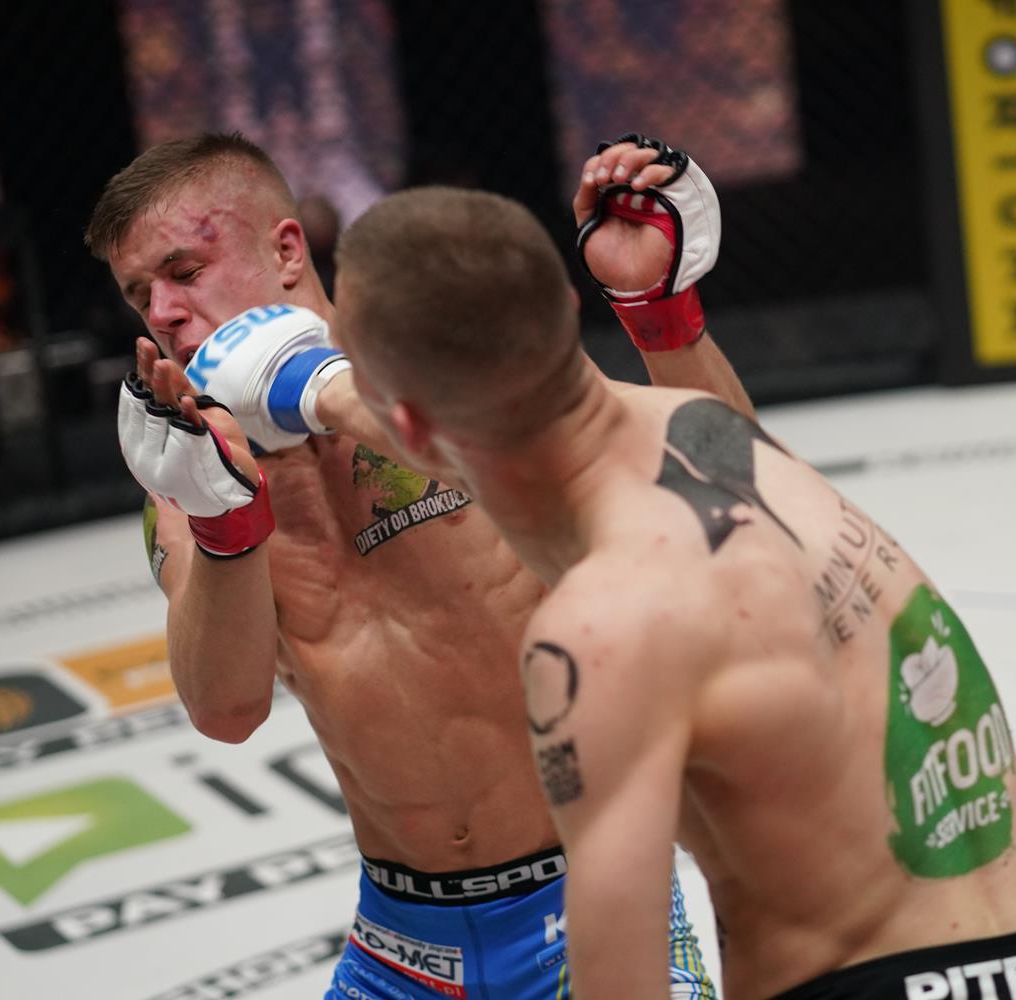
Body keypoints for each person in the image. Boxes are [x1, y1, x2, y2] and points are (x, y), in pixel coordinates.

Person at [310, 180, 1016, 999]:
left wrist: (316, 387)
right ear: (564, 306)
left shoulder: (598, 631)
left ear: (407, 428)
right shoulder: (715, 437)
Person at [87, 131, 748, 998]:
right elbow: (227, 708)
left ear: (286, 251)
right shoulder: (186, 472)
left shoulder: (447, 356)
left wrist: (660, 316)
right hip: (402, 950)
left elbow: (735, 502)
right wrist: (223, 525)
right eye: (141, 294)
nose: (165, 311)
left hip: (591, 907)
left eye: (185, 271)